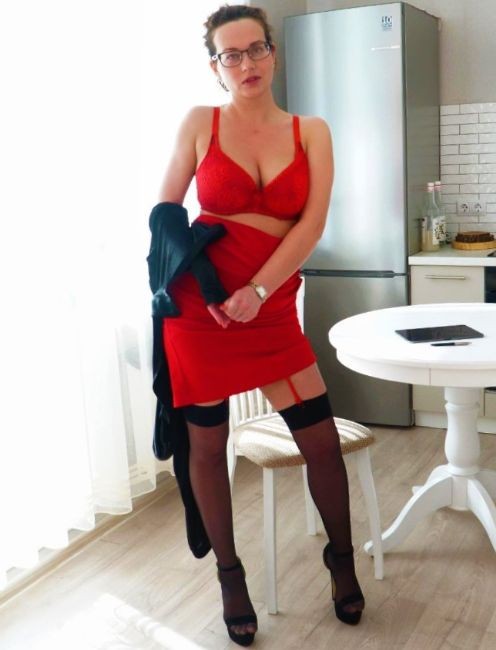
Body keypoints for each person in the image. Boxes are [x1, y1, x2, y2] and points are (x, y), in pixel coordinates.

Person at [156, 4, 364, 646]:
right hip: (202, 310)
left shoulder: (311, 131)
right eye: (231, 54)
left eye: (256, 49)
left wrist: (259, 289)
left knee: (320, 441)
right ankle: (230, 575)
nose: (246, 63)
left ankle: (341, 559)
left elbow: (311, 224)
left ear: (272, 52)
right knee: (207, 447)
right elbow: (165, 213)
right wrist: (215, 290)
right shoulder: (200, 122)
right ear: (215, 67)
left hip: (268, 307)